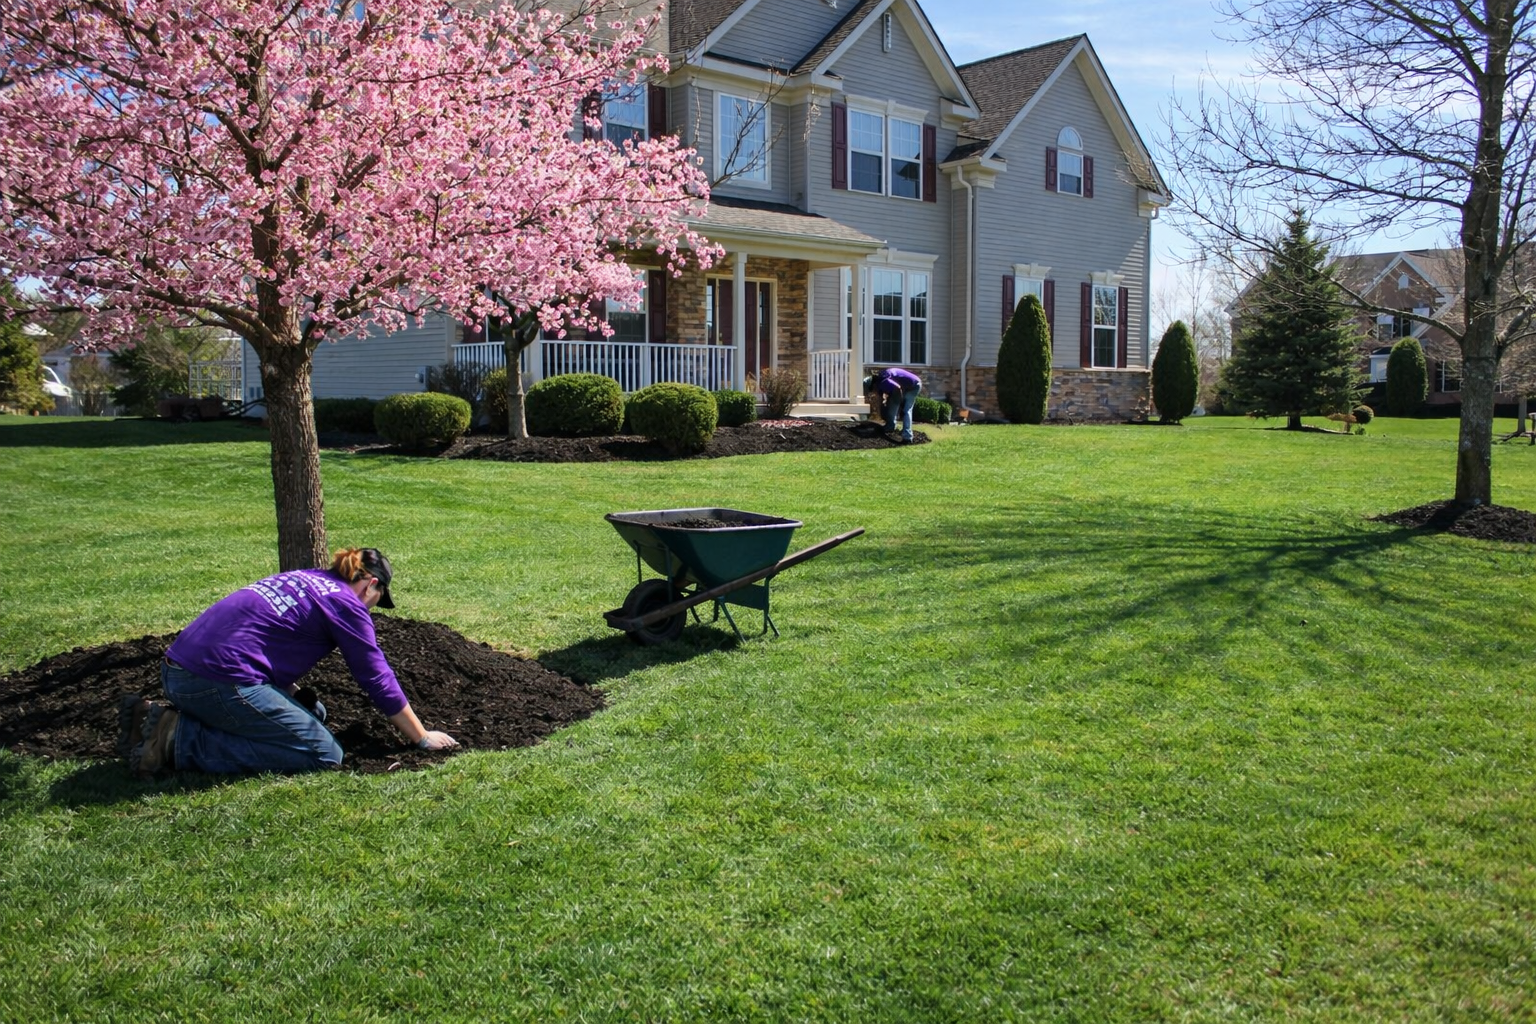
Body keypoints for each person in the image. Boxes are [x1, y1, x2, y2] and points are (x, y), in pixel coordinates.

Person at [118, 547, 458, 776]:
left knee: (314, 713)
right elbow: (375, 675)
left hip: (178, 670)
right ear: (371, 585)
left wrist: (293, 693)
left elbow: (260, 640)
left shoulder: (306, 579)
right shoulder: (347, 604)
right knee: (324, 755)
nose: (371, 608)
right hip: (214, 682)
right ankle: (178, 739)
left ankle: (159, 720)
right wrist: (420, 736)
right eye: (377, 600)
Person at [866, 366, 922, 442]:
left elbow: (898, 388)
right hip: (903, 386)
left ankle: (907, 437)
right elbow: (882, 398)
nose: (873, 391)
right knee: (892, 403)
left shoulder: (884, 380)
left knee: (906, 410)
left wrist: (902, 402)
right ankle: (890, 427)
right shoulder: (880, 381)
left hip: (914, 385)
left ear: (874, 384)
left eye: (872, 389)